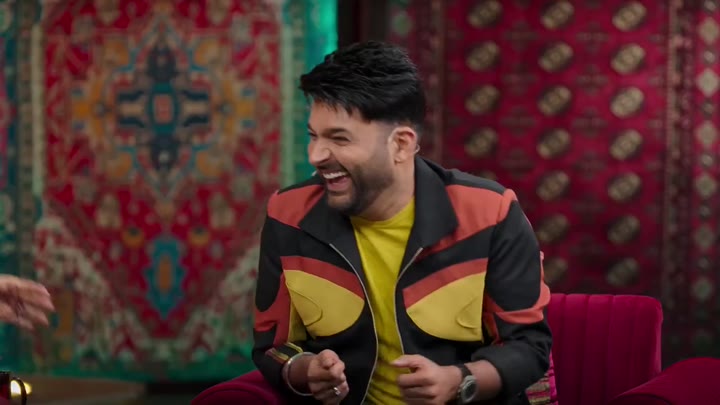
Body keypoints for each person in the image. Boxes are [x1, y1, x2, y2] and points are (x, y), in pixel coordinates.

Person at [252, 41, 552, 405]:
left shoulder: (491, 214)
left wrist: (458, 381)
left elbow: (528, 346)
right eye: (313, 136)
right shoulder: (288, 215)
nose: (316, 156)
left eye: (339, 139)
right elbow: (272, 346)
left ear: (401, 145)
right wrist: (305, 370)